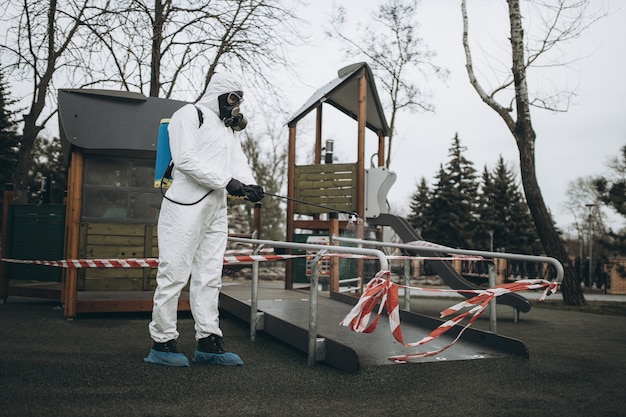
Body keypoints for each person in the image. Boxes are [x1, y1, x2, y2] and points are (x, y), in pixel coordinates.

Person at [145, 72, 264, 367]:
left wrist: (249, 185)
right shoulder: (188, 114)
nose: (236, 104)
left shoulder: (229, 130)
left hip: (215, 207)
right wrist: (227, 181)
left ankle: (208, 339)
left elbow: (238, 162)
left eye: (240, 99)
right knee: (173, 272)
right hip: (184, 204)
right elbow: (185, 159)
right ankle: (163, 340)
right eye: (233, 97)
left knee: (209, 275)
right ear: (219, 94)